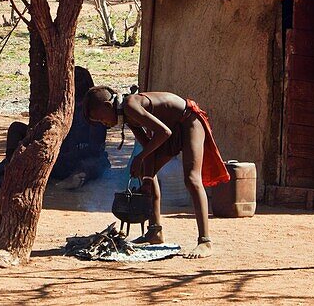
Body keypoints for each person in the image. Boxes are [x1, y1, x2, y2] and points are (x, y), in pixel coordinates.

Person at [83, 86, 231, 259]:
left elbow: (164, 132)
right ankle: (155, 232)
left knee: (192, 178)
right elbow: (149, 148)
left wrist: (140, 158)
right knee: (147, 170)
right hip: (172, 129)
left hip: (189, 122)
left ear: (109, 106)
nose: (105, 124)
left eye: (102, 119)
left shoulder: (131, 105)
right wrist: (146, 179)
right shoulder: (128, 117)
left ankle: (205, 241)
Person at [50, 67, 110, 189]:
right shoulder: (58, 106)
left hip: (77, 160)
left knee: (96, 162)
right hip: (57, 159)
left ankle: (77, 177)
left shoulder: (94, 112)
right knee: (16, 128)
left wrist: (72, 153)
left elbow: (94, 148)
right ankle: (8, 165)